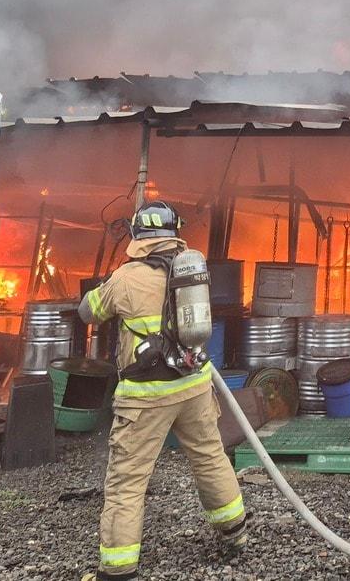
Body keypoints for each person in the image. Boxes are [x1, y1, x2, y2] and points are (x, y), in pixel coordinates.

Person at [79, 200, 246, 581]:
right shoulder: (191, 268)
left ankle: (118, 568)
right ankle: (235, 531)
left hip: (146, 398)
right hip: (194, 386)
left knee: (127, 480)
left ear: (138, 235)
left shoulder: (126, 278)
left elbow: (89, 312)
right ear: (174, 232)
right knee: (210, 456)